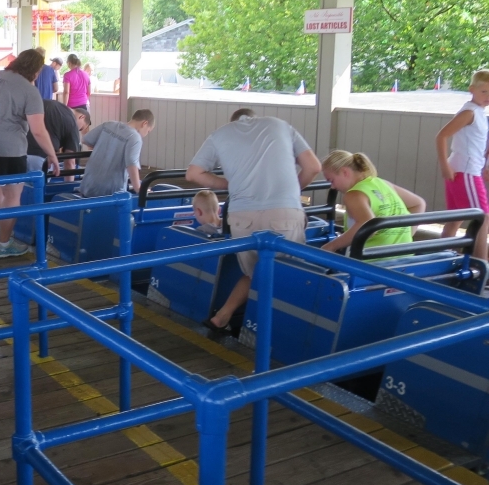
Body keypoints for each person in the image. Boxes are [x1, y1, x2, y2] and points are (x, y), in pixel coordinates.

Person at [187, 107, 322, 332]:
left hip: (242, 216)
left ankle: (223, 317)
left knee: (255, 273)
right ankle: (281, 331)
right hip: (284, 213)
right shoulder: (280, 125)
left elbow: (193, 174)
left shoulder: (220, 134)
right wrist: (291, 192)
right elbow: (314, 167)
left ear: (233, 122)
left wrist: (230, 185)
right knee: (287, 272)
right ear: (255, 117)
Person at [0, 49, 60, 258]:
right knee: (13, 193)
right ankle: (5, 244)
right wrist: (52, 155)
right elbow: (38, 130)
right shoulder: (29, 90)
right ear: (36, 71)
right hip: (7, 148)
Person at [320, 150, 426, 253]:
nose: (332, 187)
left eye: (331, 180)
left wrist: (331, 246)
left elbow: (367, 225)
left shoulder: (354, 194)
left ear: (345, 172)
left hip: (372, 261)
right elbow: (419, 204)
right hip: (404, 256)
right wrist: (404, 235)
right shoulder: (383, 183)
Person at [436, 69, 489, 261]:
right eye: (484, 92)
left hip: (467, 168)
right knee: (482, 218)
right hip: (466, 171)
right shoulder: (470, 112)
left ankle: (443, 258)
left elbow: (478, 143)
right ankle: (482, 265)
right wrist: (444, 165)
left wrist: (484, 166)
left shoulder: (480, 113)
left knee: (455, 217)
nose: (487, 97)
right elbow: (442, 135)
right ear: (472, 89)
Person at [78, 110, 155, 197]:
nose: (146, 134)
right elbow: (132, 164)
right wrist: (139, 189)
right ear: (144, 123)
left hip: (88, 184)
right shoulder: (135, 138)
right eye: (148, 131)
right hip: (111, 191)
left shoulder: (108, 125)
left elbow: (85, 139)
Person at [27, 98, 81, 173]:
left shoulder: (44, 103)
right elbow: (70, 161)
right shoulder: (72, 122)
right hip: (43, 160)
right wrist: (69, 184)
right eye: (81, 128)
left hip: (17, 155)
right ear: (82, 117)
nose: (79, 131)